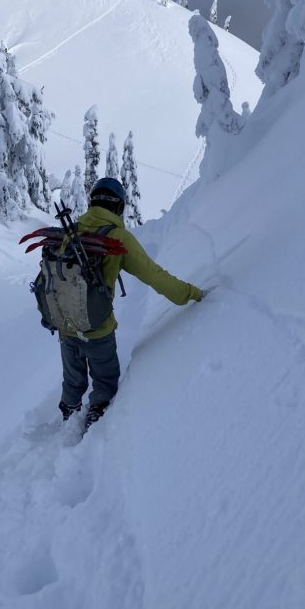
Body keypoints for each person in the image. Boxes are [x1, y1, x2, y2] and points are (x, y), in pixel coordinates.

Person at [57, 177, 203, 430]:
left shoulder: (71, 231)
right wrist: (190, 293)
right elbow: (154, 275)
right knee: (105, 378)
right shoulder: (117, 237)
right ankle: (97, 412)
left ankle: (69, 410)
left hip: (66, 324)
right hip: (99, 328)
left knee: (72, 378)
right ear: (118, 207)